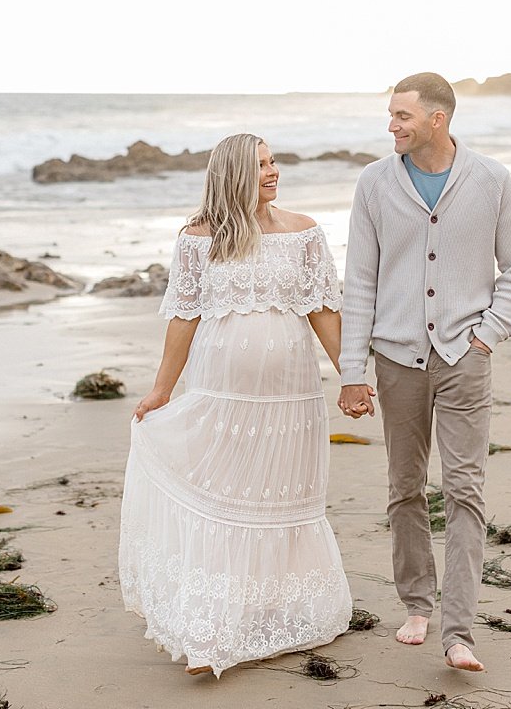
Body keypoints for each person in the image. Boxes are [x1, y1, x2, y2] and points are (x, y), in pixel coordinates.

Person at [118, 132, 353, 677]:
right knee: (226, 495)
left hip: (291, 399)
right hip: (219, 395)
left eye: (274, 163)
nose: (274, 172)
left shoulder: (305, 233)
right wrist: (162, 389)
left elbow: (323, 312)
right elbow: (185, 316)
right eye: (262, 166)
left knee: (283, 497)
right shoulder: (198, 239)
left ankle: (283, 609)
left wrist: (354, 378)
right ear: (232, 176)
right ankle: (216, 623)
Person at [337, 73, 511, 672]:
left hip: (463, 358)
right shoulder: (374, 183)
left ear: (436, 119)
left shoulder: (491, 179)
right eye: (391, 116)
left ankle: (459, 632)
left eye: (401, 116)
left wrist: (486, 335)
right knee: (404, 487)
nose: (391, 125)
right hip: (396, 359)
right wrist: (352, 369)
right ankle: (417, 602)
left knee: (466, 491)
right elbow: (361, 281)